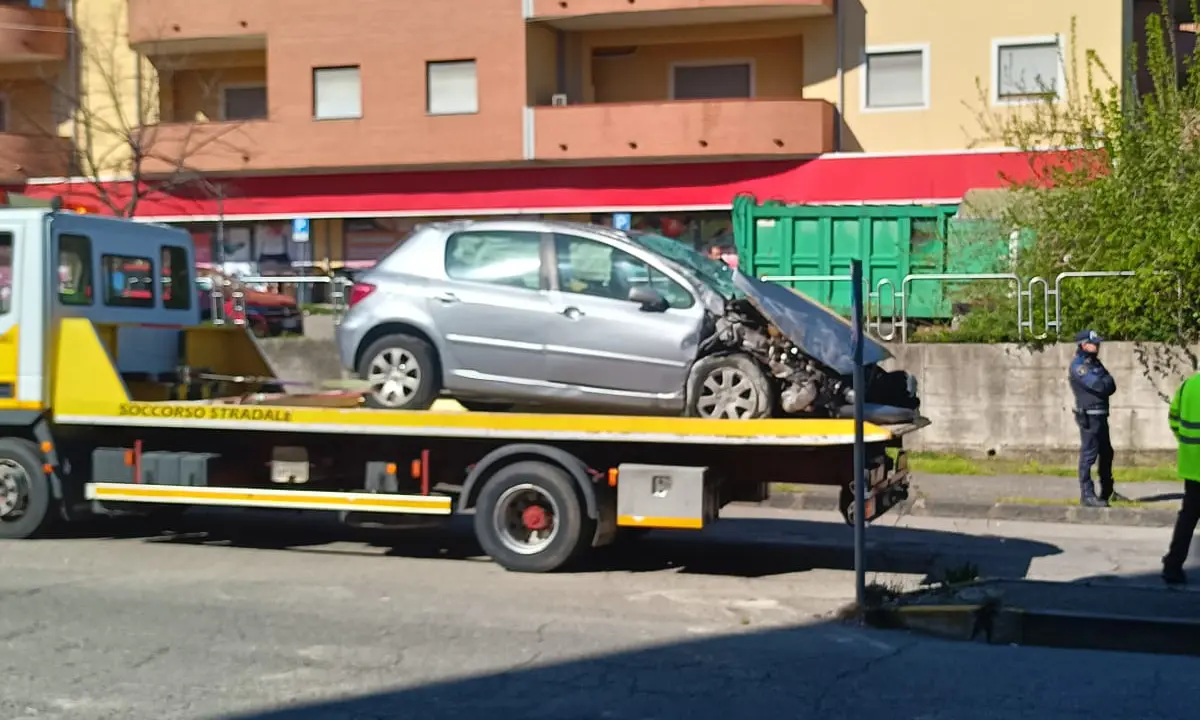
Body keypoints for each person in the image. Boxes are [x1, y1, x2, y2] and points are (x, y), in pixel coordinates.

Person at [1068, 329, 1127, 507]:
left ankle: (1107, 491)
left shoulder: (1095, 363)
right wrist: (1104, 382)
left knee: (1107, 453)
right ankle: (1087, 494)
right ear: (1083, 345)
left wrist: (1105, 382)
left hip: (1101, 414)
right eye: (1094, 343)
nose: (1097, 346)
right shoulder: (1080, 366)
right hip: (1089, 415)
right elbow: (1100, 385)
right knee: (1089, 455)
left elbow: (1111, 384)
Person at [1164, 370, 1200, 585]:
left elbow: (1174, 418)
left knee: (1187, 519)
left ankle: (1172, 565)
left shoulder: (1188, 385)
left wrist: (1186, 444)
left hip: (1192, 465)